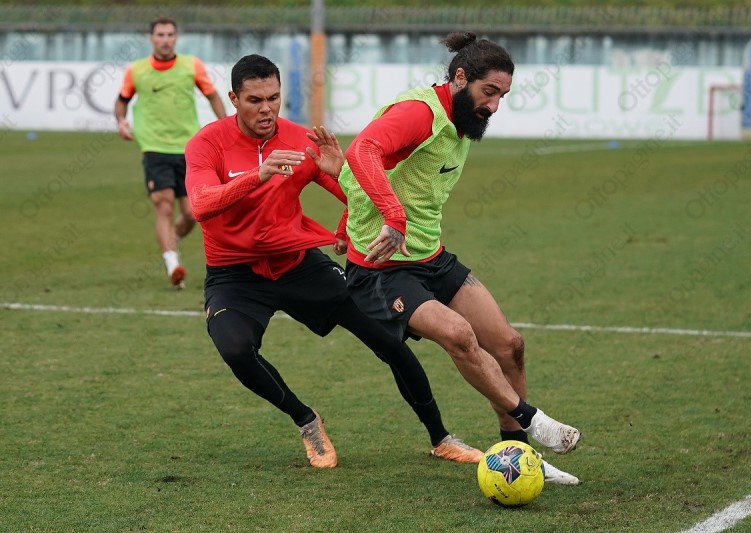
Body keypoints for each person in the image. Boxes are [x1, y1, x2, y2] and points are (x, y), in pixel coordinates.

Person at [184, 54, 485, 469]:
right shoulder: (207, 143)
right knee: (236, 349)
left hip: (298, 264)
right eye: (254, 100)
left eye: (273, 98)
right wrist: (259, 175)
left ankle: (441, 437)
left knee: (388, 340)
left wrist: (347, 216)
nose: (267, 108)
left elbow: (356, 193)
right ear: (234, 99)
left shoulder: (300, 139)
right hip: (233, 275)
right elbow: (200, 205)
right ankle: (306, 420)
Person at [338, 32, 581, 484]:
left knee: (509, 346)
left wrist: (349, 217)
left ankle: (519, 458)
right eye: (489, 92)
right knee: (459, 335)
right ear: (460, 77)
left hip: (430, 257)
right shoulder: (419, 113)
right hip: (382, 269)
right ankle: (532, 420)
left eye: (503, 96)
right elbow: (361, 151)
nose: (494, 105)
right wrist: (391, 216)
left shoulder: (463, 121)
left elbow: (381, 173)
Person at [115, 16, 227, 289]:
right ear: (151, 38)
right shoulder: (137, 70)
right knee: (163, 205)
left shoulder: (192, 65)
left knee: (192, 212)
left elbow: (212, 95)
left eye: (169, 35)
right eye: (160, 35)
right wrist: (121, 121)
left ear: (176, 38)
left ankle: (171, 241)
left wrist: (226, 127)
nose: (165, 40)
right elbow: (122, 101)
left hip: (188, 148)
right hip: (154, 147)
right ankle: (172, 264)